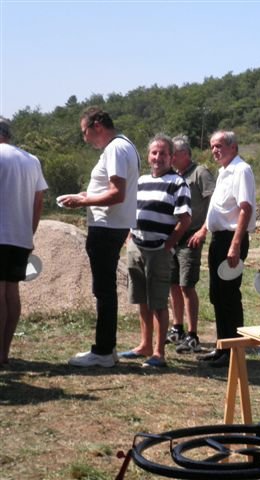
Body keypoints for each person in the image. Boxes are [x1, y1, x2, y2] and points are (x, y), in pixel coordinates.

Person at [67, 107, 139, 368]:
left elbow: (117, 193)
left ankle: (103, 351)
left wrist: (83, 201)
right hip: (112, 225)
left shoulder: (116, 149)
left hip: (107, 226)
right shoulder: (124, 145)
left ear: (97, 125)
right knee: (105, 289)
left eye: (84, 131)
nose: (85, 138)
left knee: (104, 290)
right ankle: (107, 348)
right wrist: (87, 196)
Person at [120, 134, 192, 368]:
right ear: (148, 155)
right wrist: (129, 238)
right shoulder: (140, 181)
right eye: (154, 152)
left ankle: (159, 353)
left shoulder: (178, 183)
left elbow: (185, 219)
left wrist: (168, 245)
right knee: (141, 299)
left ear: (171, 157)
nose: (158, 157)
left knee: (158, 301)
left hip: (159, 250)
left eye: (163, 153)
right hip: (136, 247)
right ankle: (145, 345)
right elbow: (131, 210)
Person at [190, 131, 256, 367]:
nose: (215, 150)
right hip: (219, 238)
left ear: (233, 147)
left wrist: (235, 244)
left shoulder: (241, 170)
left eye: (219, 146)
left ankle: (234, 352)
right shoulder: (222, 172)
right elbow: (217, 209)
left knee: (229, 295)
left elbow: (245, 208)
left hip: (232, 239)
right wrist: (204, 229)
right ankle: (222, 348)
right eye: (212, 146)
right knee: (217, 295)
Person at [0, 117, 48, 366]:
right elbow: (38, 202)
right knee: (11, 292)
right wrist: (29, 234)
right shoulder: (31, 160)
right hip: (20, 236)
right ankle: (4, 352)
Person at [166, 135, 216, 354]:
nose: (170, 158)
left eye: (173, 154)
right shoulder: (173, 175)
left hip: (191, 236)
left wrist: (203, 230)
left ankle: (193, 335)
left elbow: (213, 202)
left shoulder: (200, 173)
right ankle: (177, 328)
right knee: (173, 284)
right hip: (173, 236)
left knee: (187, 285)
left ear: (185, 154)